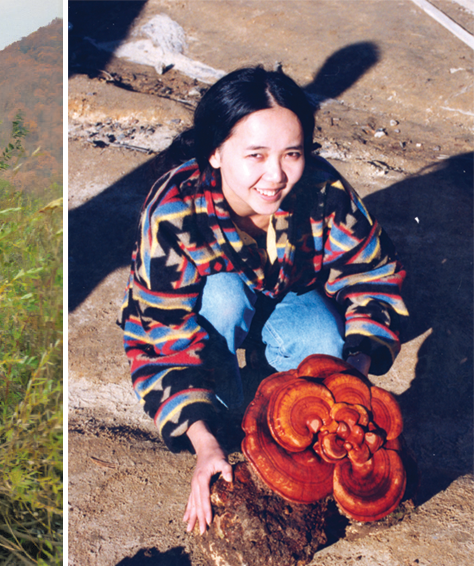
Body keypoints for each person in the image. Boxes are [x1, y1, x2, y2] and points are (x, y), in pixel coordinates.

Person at [118, 67, 407, 535]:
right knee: (227, 297)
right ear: (214, 151)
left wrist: (356, 366)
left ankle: (282, 409)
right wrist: (203, 440)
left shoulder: (322, 190)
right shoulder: (174, 209)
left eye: (291, 154)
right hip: (211, 306)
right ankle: (225, 415)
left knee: (325, 343)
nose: (276, 176)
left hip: (286, 295)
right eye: (255, 155)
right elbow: (160, 332)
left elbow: (374, 270)